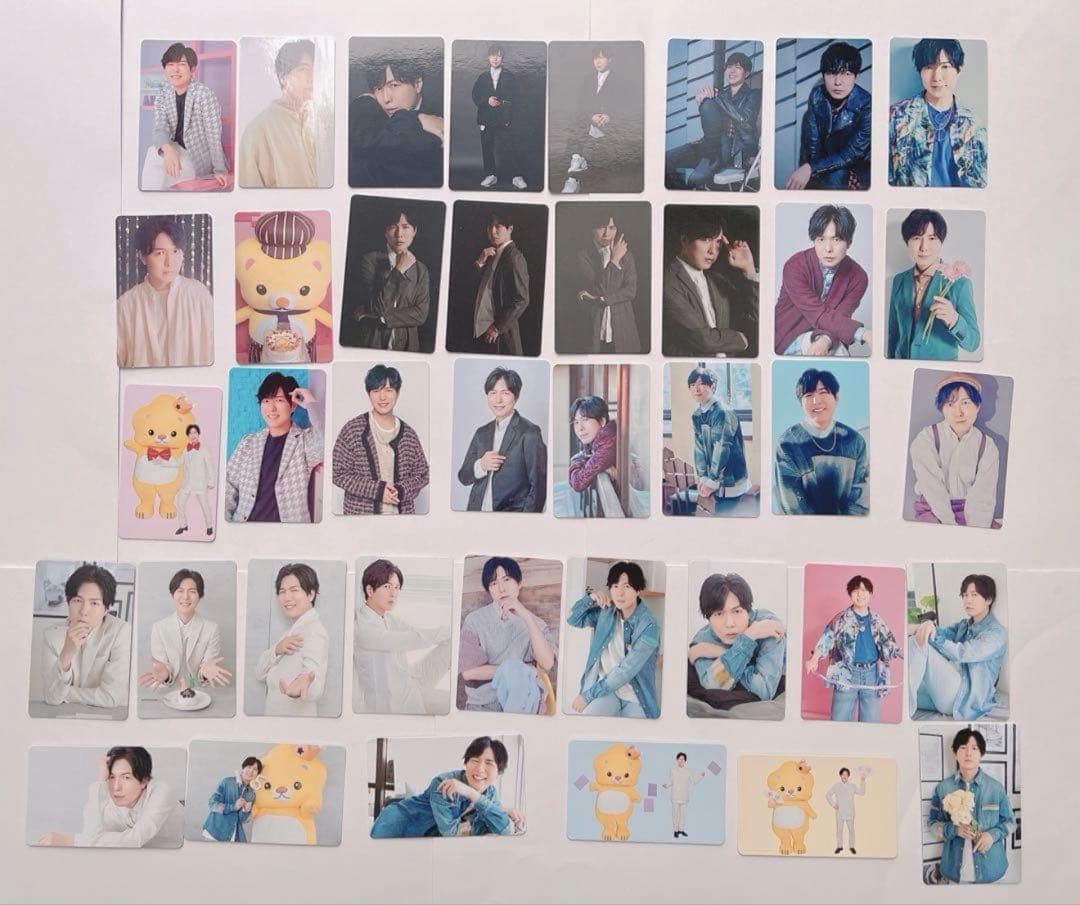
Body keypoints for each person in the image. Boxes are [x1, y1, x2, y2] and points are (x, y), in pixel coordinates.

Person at [458, 557, 558, 713]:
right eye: (494, 583)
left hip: (523, 703)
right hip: (483, 705)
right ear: (489, 590)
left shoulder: (536, 623)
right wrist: (521, 670)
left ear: (519, 583)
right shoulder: (475, 621)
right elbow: (469, 672)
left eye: (506, 579)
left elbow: (547, 663)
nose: (501, 588)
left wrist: (525, 616)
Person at [371, 737, 523, 837]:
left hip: (423, 844)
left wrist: (473, 795)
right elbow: (451, 834)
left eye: (489, 763)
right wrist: (492, 811)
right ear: (466, 763)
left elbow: (506, 831)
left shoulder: (490, 794)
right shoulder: (444, 783)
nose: (480, 768)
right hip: (395, 827)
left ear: (499, 772)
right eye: (475, 761)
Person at [354, 559, 451, 715]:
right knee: (448, 702)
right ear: (370, 590)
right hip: (398, 700)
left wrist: (452, 632)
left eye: (396, 587)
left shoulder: (389, 618)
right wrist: (442, 633)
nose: (393, 594)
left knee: (454, 641)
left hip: (410, 679)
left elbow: (416, 632)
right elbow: (409, 639)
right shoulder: (361, 626)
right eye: (387, 587)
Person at [224, 371, 323, 523]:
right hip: (245, 528)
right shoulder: (247, 443)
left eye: (279, 400)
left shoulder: (303, 442)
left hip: (286, 533)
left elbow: (328, 440)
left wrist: (309, 403)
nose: (271, 408)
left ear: (293, 405)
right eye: (266, 401)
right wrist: (227, 523)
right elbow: (228, 484)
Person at [36, 747, 184, 848]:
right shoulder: (114, 805)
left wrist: (71, 841)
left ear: (144, 780)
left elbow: (134, 840)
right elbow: (92, 835)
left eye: (126, 777)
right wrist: (101, 781)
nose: (116, 787)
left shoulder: (161, 792)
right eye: (111, 777)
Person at [566, 561, 660, 719]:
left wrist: (588, 696)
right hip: (608, 692)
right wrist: (591, 598)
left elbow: (626, 670)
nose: (620, 593)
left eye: (627, 586)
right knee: (590, 722)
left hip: (636, 698)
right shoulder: (606, 612)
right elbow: (572, 619)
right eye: (615, 586)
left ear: (638, 590)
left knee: (633, 734)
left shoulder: (649, 625)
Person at [331, 365, 429, 515]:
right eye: (376, 391)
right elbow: (337, 471)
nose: (382, 397)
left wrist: (402, 490)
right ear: (368, 394)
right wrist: (377, 490)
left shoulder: (409, 435)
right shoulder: (352, 430)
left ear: (397, 393)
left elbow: (422, 474)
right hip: (360, 520)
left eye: (389, 390)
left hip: (403, 520)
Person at [116, 217, 213, 368]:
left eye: (175, 251)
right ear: (142, 257)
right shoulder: (126, 305)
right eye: (160, 253)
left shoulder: (199, 295)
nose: (170, 262)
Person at [889, 39, 988, 188]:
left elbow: (982, 181)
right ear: (920, 71)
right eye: (929, 67)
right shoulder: (896, 116)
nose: (937, 77)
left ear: (958, 70)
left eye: (945, 66)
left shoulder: (974, 125)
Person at [774, 205, 871, 356]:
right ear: (814, 240)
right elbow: (817, 313)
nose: (828, 248)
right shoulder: (795, 266)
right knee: (837, 351)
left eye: (836, 239)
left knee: (837, 350)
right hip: (787, 338)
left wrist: (825, 340)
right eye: (821, 239)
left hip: (829, 335)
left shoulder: (858, 277)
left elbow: (842, 315)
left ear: (849, 242)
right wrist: (863, 333)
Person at [804, 575, 903, 722]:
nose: (860, 595)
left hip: (871, 674)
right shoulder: (841, 619)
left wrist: (903, 654)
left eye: (864, 591)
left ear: (870, 594)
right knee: (839, 719)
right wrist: (814, 659)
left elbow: (889, 642)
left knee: (871, 722)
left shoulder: (877, 619)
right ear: (850, 594)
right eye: (856, 591)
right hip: (846, 673)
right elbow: (827, 639)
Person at [908, 574, 1007, 720]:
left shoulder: (996, 634)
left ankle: (903, 718)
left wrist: (928, 631)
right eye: (965, 595)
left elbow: (963, 653)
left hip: (963, 699)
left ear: (988, 599)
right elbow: (941, 633)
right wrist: (925, 626)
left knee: (919, 641)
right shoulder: (964, 625)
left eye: (974, 595)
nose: (968, 600)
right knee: (904, 694)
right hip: (945, 695)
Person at [909, 373, 1001, 528]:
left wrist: (974, 531)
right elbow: (932, 488)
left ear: (977, 406)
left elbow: (983, 496)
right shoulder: (927, 438)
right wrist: (950, 526)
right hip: (933, 509)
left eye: (965, 403)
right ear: (942, 408)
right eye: (950, 404)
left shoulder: (987, 445)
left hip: (970, 511)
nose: (959, 413)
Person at [662, 210, 759, 357]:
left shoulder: (717, 280)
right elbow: (702, 339)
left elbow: (756, 322)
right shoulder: (667, 280)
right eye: (706, 240)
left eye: (718, 242)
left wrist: (749, 268)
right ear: (685, 240)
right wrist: (741, 339)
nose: (713, 251)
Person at [773, 368, 869, 516]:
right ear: (800, 403)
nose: (816, 401)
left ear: (836, 397)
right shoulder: (788, 444)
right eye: (809, 395)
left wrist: (846, 525)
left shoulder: (854, 441)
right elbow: (791, 504)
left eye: (823, 392)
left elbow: (861, 495)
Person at [887, 209, 980, 360]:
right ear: (907, 242)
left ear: (941, 242)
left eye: (931, 238)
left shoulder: (959, 284)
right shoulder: (899, 280)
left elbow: (973, 343)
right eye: (916, 238)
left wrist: (954, 320)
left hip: (937, 370)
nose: (924, 247)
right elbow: (893, 333)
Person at [928, 728, 1014, 884]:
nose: (968, 753)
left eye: (974, 748)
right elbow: (932, 824)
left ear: (981, 753)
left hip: (992, 871)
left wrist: (991, 836)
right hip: (954, 873)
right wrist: (955, 830)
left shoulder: (996, 788)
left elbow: (1010, 822)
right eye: (963, 747)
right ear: (955, 752)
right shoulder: (943, 788)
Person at [457, 367, 547, 513]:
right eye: (493, 393)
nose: (498, 400)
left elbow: (539, 489)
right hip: (476, 514)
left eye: (505, 393)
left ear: (515, 396)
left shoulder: (530, 433)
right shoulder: (481, 433)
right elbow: (463, 476)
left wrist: (525, 521)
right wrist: (481, 465)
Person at [340, 207, 431, 351]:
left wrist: (380, 318)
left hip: (407, 345)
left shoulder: (421, 270)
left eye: (405, 227)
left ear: (414, 231)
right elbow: (377, 307)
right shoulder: (370, 261)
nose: (399, 234)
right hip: (373, 340)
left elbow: (420, 315)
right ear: (385, 231)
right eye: (393, 227)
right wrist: (399, 270)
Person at [667, 51, 761, 190]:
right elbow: (711, 121)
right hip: (709, 146)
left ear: (746, 74)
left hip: (733, 151)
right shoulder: (721, 94)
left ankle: (706, 167)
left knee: (694, 181)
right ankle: (681, 192)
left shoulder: (753, 94)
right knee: (665, 160)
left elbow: (745, 121)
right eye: (729, 67)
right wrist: (703, 101)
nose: (732, 71)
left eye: (738, 67)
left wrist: (716, 98)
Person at [41, 565, 130, 711]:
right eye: (77, 600)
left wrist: (64, 694)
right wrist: (66, 653)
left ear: (106, 609)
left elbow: (110, 697)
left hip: (109, 717)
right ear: (68, 602)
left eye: (94, 603)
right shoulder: (51, 636)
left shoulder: (121, 632)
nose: (84, 611)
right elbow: (51, 698)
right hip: (64, 717)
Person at [783, 42, 870, 190]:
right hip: (822, 166)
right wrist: (809, 170)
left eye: (846, 74)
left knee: (835, 177)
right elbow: (812, 146)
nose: (837, 82)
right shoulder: (817, 96)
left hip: (855, 169)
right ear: (823, 75)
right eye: (831, 73)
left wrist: (811, 168)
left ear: (856, 77)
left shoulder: (867, 104)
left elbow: (852, 153)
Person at [141, 43, 228, 190]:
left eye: (181, 64)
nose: (175, 70)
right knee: (152, 153)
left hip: (197, 158)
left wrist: (220, 170)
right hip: (175, 150)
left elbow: (213, 137)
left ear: (192, 69)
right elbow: (160, 128)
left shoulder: (204, 95)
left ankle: (155, 198)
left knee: (167, 175)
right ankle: (150, 198)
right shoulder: (163, 95)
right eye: (170, 64)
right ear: (165, 69)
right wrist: (168, 151)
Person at [688, 573, 785, 702]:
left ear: (748, 611)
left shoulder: (766, 625)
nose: (730, 624)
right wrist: (743, 644)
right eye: (719, 613)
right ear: (708, 618)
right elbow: (714, 686)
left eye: (737, 611)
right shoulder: (702, 641)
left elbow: (764, 690)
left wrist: (748, 637)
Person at [348, 57, 443, 188]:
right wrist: (416, 118)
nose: (386, 98)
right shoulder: (374, 116)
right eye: (378, 88)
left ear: (417, 84)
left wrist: (363, 100)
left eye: (394, 85)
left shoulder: (437, 122)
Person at [239, 40, 322, 188]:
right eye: (304, 69)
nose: (312, 76)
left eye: (315, 69)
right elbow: (250, 197)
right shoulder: (257, 131)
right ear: (283, 77)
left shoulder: (320, 123)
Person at [254, 563, 329, 717]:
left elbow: (315, 683)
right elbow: (259, 673)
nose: (287, 597)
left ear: (310, 594)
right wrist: (276, 650)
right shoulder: (289, 634)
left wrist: (304, 685)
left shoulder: (315, 632)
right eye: (282, 591)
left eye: (294, 590)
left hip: (295, 725)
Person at [137, 568, 230, 692]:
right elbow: (162, 666)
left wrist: (204, 673)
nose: (185, 597)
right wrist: (165, 674)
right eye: (180, 591)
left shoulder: (211, 629)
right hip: (167, 690)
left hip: (198, 690)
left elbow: (207, 665)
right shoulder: (159, 628)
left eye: (192, 591)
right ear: (172, 594)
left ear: (200, 596)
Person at [560, 46, 637, 193]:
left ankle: (575, 173)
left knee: (598, 159)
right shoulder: (588, 80)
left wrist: (610, 116)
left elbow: (626, 108)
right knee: (578, 125)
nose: (598, 61)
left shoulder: (620, 81)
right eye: (596, 58)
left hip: (610, 126)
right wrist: (591, 116)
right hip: (589, 123)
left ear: (610, 59)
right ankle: (575, 166)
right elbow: (580, 106)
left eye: (602, 58)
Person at [573, 212, 641, 353]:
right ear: (592, 229)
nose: (607, 233)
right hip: (595, 329)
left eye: (611, 228)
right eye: (601, 227)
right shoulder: (583, 256)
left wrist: (601, 299)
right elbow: (600, 288)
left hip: (623, 329)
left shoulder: (626, 256)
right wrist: (614, 260)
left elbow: (630, 291)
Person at [687, 366, 750, 515]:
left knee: (724, 519)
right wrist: (702, 476)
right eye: (692, 385)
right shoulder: (697, 415)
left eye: (701, 384)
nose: (696, 389)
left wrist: (712, 480)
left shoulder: (722, 412)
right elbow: (699, 448)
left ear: (713, 386)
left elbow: (722, 447)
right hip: (713, 482)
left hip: (731, 481)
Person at [466, 210, 530, 355]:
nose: (493, 232)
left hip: (501, 336)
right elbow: (477, 289)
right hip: (484, 333)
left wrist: (497, 327)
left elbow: (522, 299)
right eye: (490, 227)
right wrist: (480, 262)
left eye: (498, 226)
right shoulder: (492, 254)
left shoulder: (514, 257)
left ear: (510, 229)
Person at [471, 44, 528, 190]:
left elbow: (516, 97)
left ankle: (516, 176)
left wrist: (502, 103)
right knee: (487, 147)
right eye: (493, 55)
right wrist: (487, 101)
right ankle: (490, 174)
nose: (495, 59)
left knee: (510, 146)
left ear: (502, 58)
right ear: (488, 58)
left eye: (499, 56)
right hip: (486, 118)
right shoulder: (483, 77)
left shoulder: (509, 77)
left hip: (504, 118)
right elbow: (475, 95)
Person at [566, 395, 618, 517]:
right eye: (576, 422)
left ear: (602, 421)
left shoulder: (607, 443)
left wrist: (579, 459)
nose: (580, 428)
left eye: (585, 420)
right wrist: (589, 459)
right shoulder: (596, 441)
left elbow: (578, 482)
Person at [202, 756, 262, 842]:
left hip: (233, 836)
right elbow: (212, 804)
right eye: (249, 767)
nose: (251, 771)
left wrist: (246, 811)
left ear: (257, 774)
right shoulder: (227, 782)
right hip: (215, 833)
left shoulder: (251, 794)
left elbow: (241, 819)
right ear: (243, 768)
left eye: (255, 769)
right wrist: (233, 806)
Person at [175, 424, 215, 536]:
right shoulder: (185, 450)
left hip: (200, 483)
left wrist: (211, 482)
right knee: (179, 503)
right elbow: (179, 462)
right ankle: (183, 525)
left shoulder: (204, 449)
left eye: (195, 433)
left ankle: (209, 526)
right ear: (188, 436)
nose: (193, 435)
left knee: (205, 505)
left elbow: (210, 466)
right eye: (190, 433)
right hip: (187, 483)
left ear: (198, 434)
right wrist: (164, 461)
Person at [662, 753, 705, 838]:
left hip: (684, 796)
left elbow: (693, 781)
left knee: (683, 815)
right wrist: (666, 785)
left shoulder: (687, 771)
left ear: (685, 761)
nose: (681, 760)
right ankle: (675, 830)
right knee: (675, 814)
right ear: (677, 760)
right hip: (675, 796)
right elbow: (671, 781)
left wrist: (701, 776)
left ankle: (681, 830)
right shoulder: (673, 770)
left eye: (683, 759)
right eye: (680, 759)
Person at [826, 767, 866, 854]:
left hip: (850, 812)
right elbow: (828, 795)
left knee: (851, 830)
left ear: (848, 776)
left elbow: (862, 792)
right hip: (840, 812)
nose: (844, 776)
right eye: (843, 774)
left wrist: (862, 781)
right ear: (840, 775)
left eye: (846, 774)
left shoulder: (852, 786)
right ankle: (839, 846)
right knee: (839, 830)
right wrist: (833, 804)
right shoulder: (836, 786)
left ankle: (852, 847)